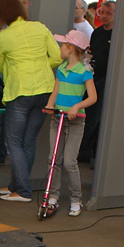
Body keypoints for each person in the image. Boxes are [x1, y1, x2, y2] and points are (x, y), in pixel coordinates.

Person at [0, 0, 61, 202]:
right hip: (44, 92)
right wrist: (40, 68)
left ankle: (23, 191)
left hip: (19, 92)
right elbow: (57, 57)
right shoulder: (40, 27)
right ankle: (16, 186)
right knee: (29, 142)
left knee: (13, 142)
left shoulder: (2, 37)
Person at [43, 30, 97, 216]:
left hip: (75, 123)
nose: (60, 48)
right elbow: (55, 92)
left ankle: (76, 199)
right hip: (57, 119)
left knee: (69, 162)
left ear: (71, 48)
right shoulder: (61, 69)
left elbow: (93, 97)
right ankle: (52, 195)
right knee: (54, 159)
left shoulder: (84, 72)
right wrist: (50, 104)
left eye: (63, 45)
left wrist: (76, 107)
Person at [79, 0, 115, 163]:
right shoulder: (97, 33)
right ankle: (84, 150)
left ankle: (92, 149)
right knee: (88, 114)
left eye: (109, 13)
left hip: (109, 80)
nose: (105, 16)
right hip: (93, 78)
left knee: (99, 117)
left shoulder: (117, 35)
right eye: (103, 12)